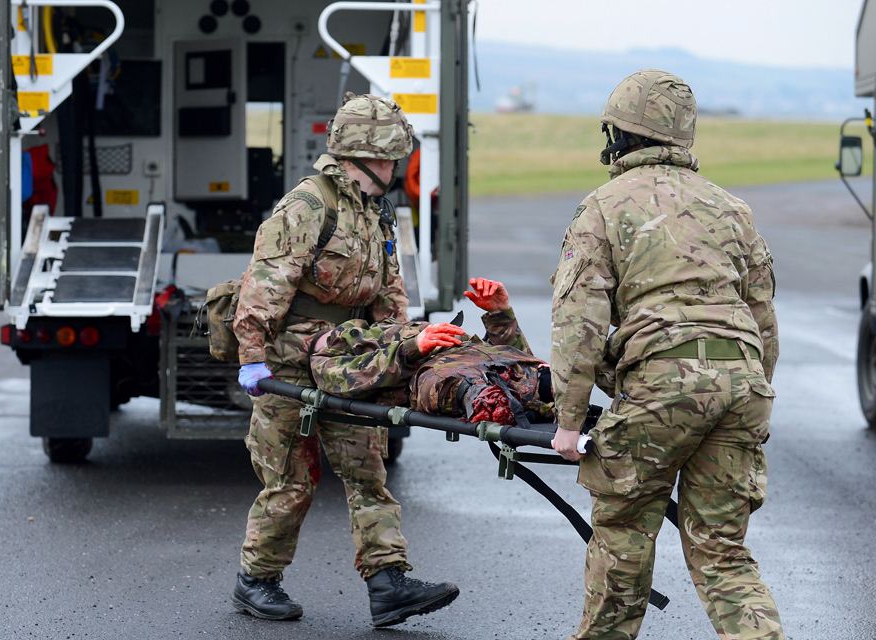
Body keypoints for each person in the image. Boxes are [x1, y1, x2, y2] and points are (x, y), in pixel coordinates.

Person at [549, 69, 784, 640]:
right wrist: (750, 393)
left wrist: (568, 423)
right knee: (723, 552)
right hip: (743, 385)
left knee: (624, 531)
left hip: (662, 386)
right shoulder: (732, 208)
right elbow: (764, 319)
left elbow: (578, 322)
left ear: (621, 136)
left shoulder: (603, 206)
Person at [231, 92, 458, 628]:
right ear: (358, 157)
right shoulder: (308, 207)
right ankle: (257, 580)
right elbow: (262, 287)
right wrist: (252, 358)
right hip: (291, 364)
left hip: (352, 361)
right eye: (387, 159)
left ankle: (388, 583)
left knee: (366, 472)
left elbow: (389, 290)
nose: (393, 168)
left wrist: (405, 347)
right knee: (290, 480)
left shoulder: (375, 212)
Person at [310, 278, 555, 425]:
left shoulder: (384, 326)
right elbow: (354, 378)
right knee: (458, 386)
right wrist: (412, 347)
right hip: (435, 377)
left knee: (534, 374)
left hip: (478, 357)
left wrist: (499, 314)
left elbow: (509, 355)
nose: (345, 330)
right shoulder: (323, 361)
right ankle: (489, 400)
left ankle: (549, 386)